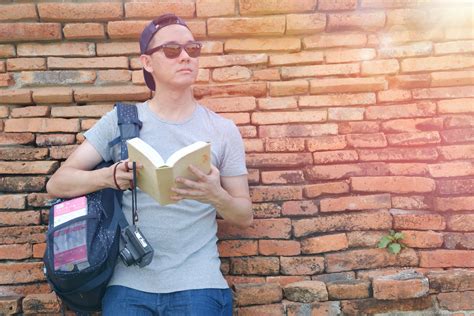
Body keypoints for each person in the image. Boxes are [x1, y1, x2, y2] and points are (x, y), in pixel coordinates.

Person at [46, 13, 253, 316]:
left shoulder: (223, 130)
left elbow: (245, 215)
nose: (185, 56)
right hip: (129, 286)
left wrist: (215, 195)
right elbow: (58, 182)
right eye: (171, 50)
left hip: (199, 285)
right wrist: (109, 177)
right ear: (147, 62)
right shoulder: (120, 121)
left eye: (192, 49)